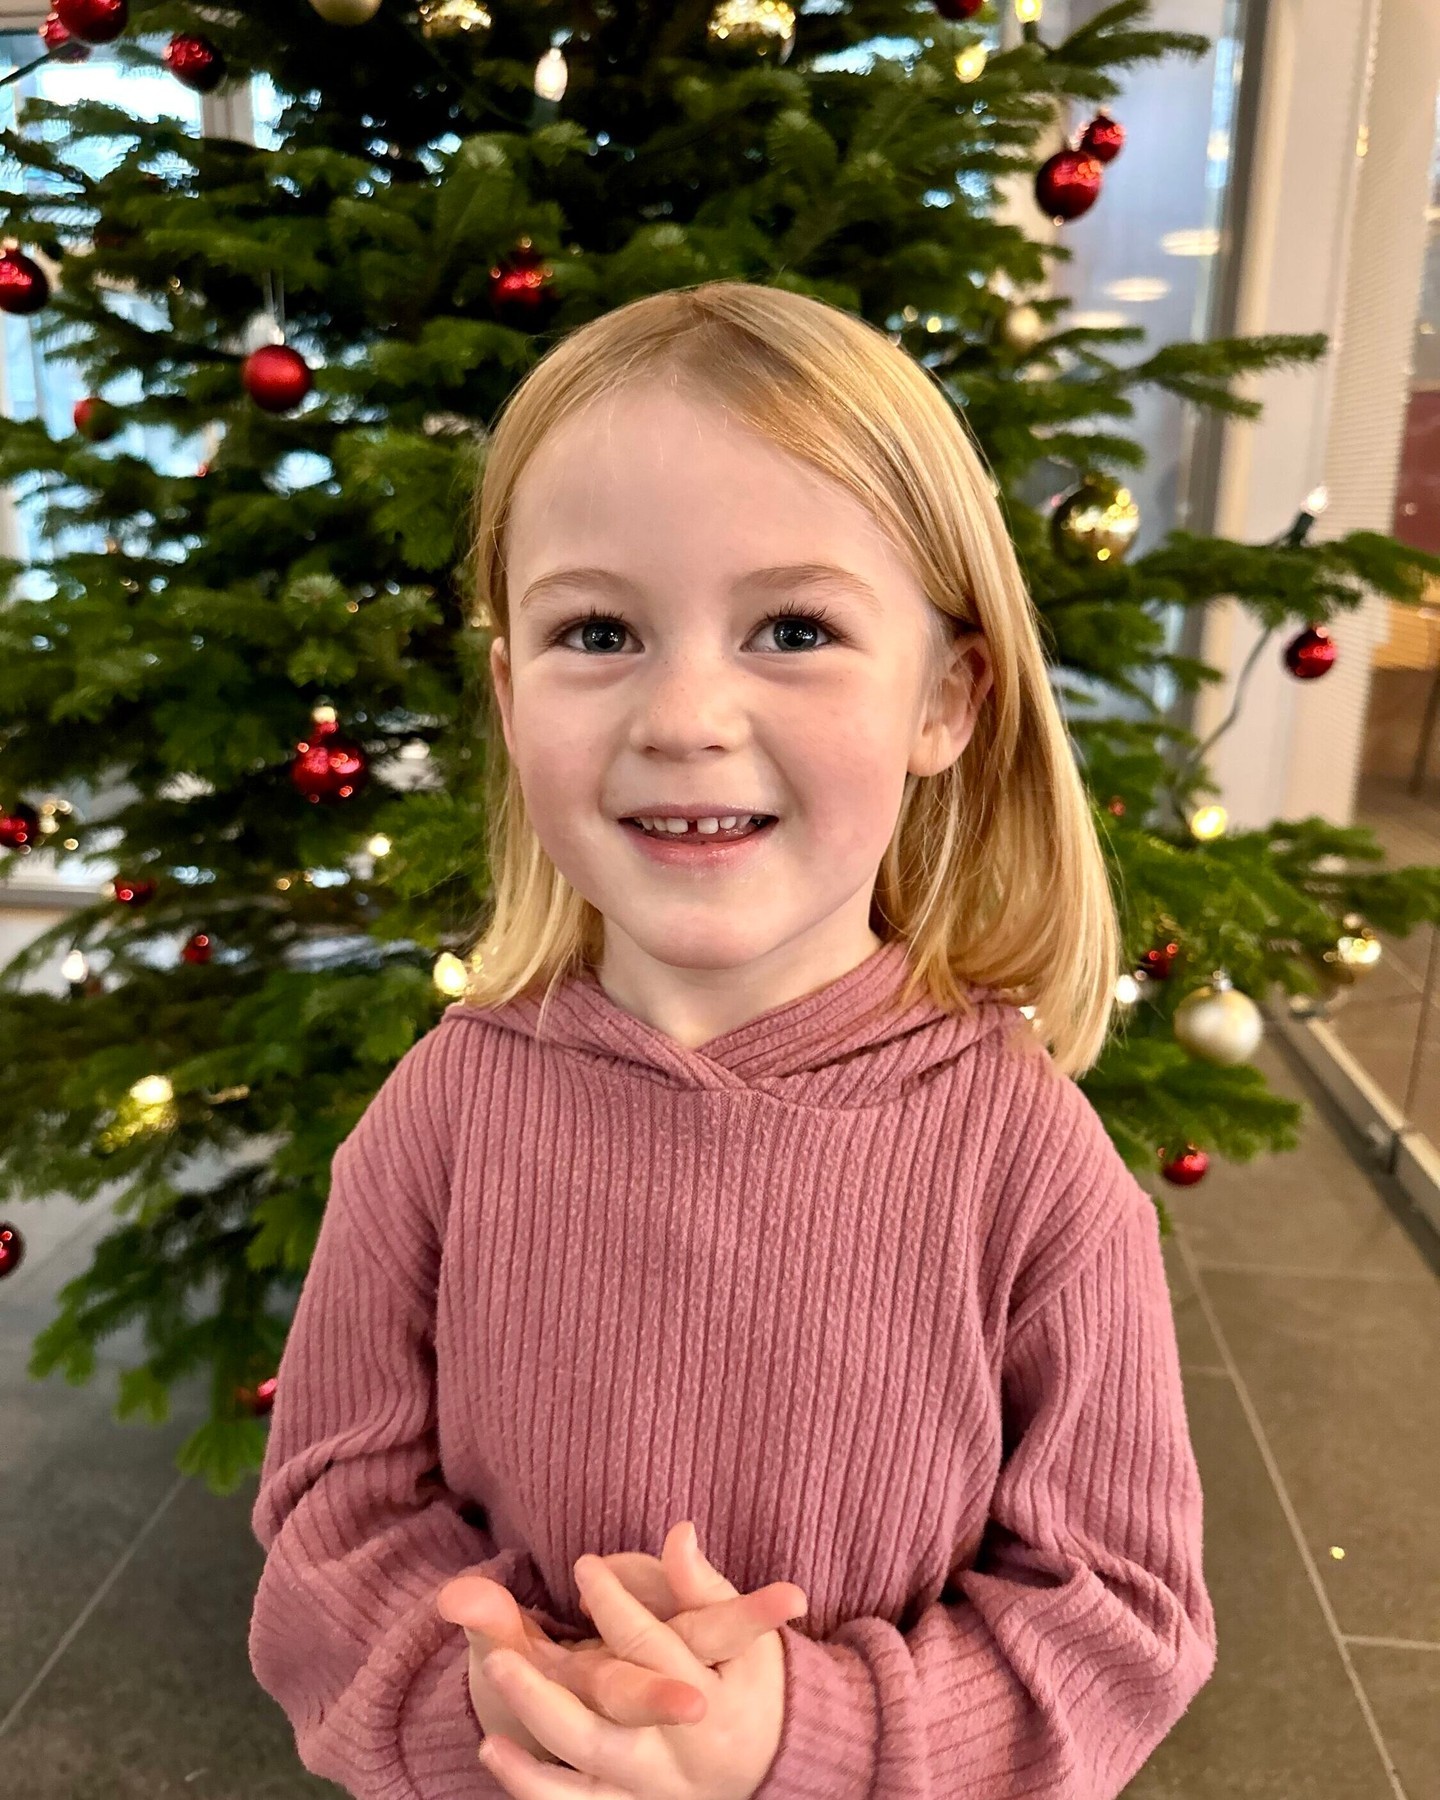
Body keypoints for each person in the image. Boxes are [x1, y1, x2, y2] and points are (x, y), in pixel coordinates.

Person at [248, 281, 1218, 1799]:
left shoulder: (1029, 1163)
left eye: (793, 628)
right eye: (598, 631)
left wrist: (797, 1739)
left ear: (947, 698)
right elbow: (331, 1523)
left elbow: (1121, 1620)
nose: (686, 714)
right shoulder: (444, 1110)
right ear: (509, 695)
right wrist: (502, 1704)